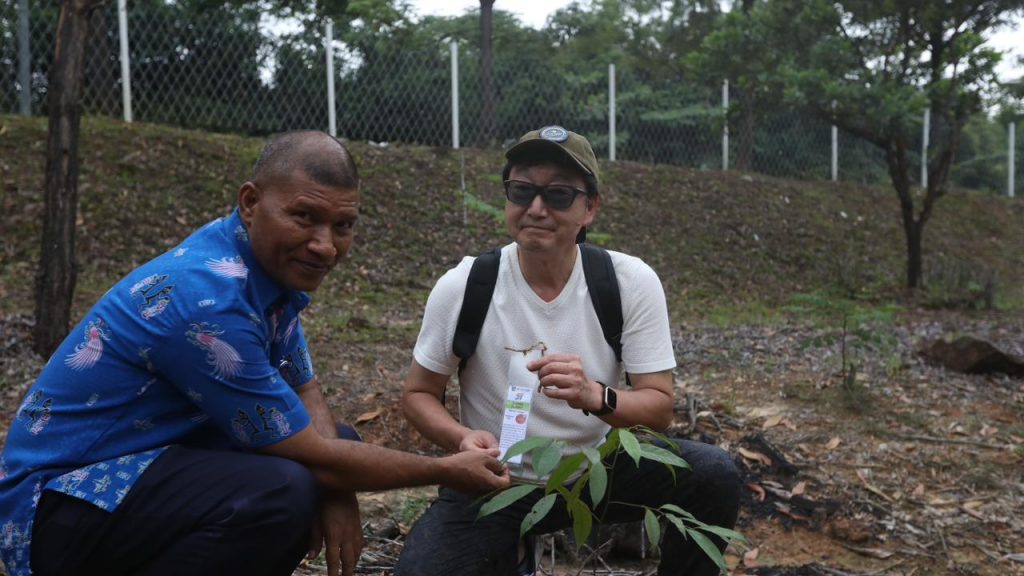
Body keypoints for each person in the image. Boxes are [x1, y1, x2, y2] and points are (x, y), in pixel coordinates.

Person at [0, 130, 510, 576]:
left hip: (138, 473)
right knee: (281, 491)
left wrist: (337, 487)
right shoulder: (206, 300)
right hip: (60, 505)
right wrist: (444, 469)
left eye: (343, 225)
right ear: (250, 202)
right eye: (304, 217)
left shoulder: (257, 271)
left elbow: (304, 386)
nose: (324, 246)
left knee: (333, 449)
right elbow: (314, 455)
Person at [396, 125, 741, 576]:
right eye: (521, 191)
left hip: (598, 470)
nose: (536, 208)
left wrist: (596, 396)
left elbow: (658, 407)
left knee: (713, 474)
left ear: (590, 208)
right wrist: (461, 439)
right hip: (494, 479)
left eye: (558, 195)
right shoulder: (466, 285)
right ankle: (515, 549)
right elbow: (418, 394)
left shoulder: (628, 282)